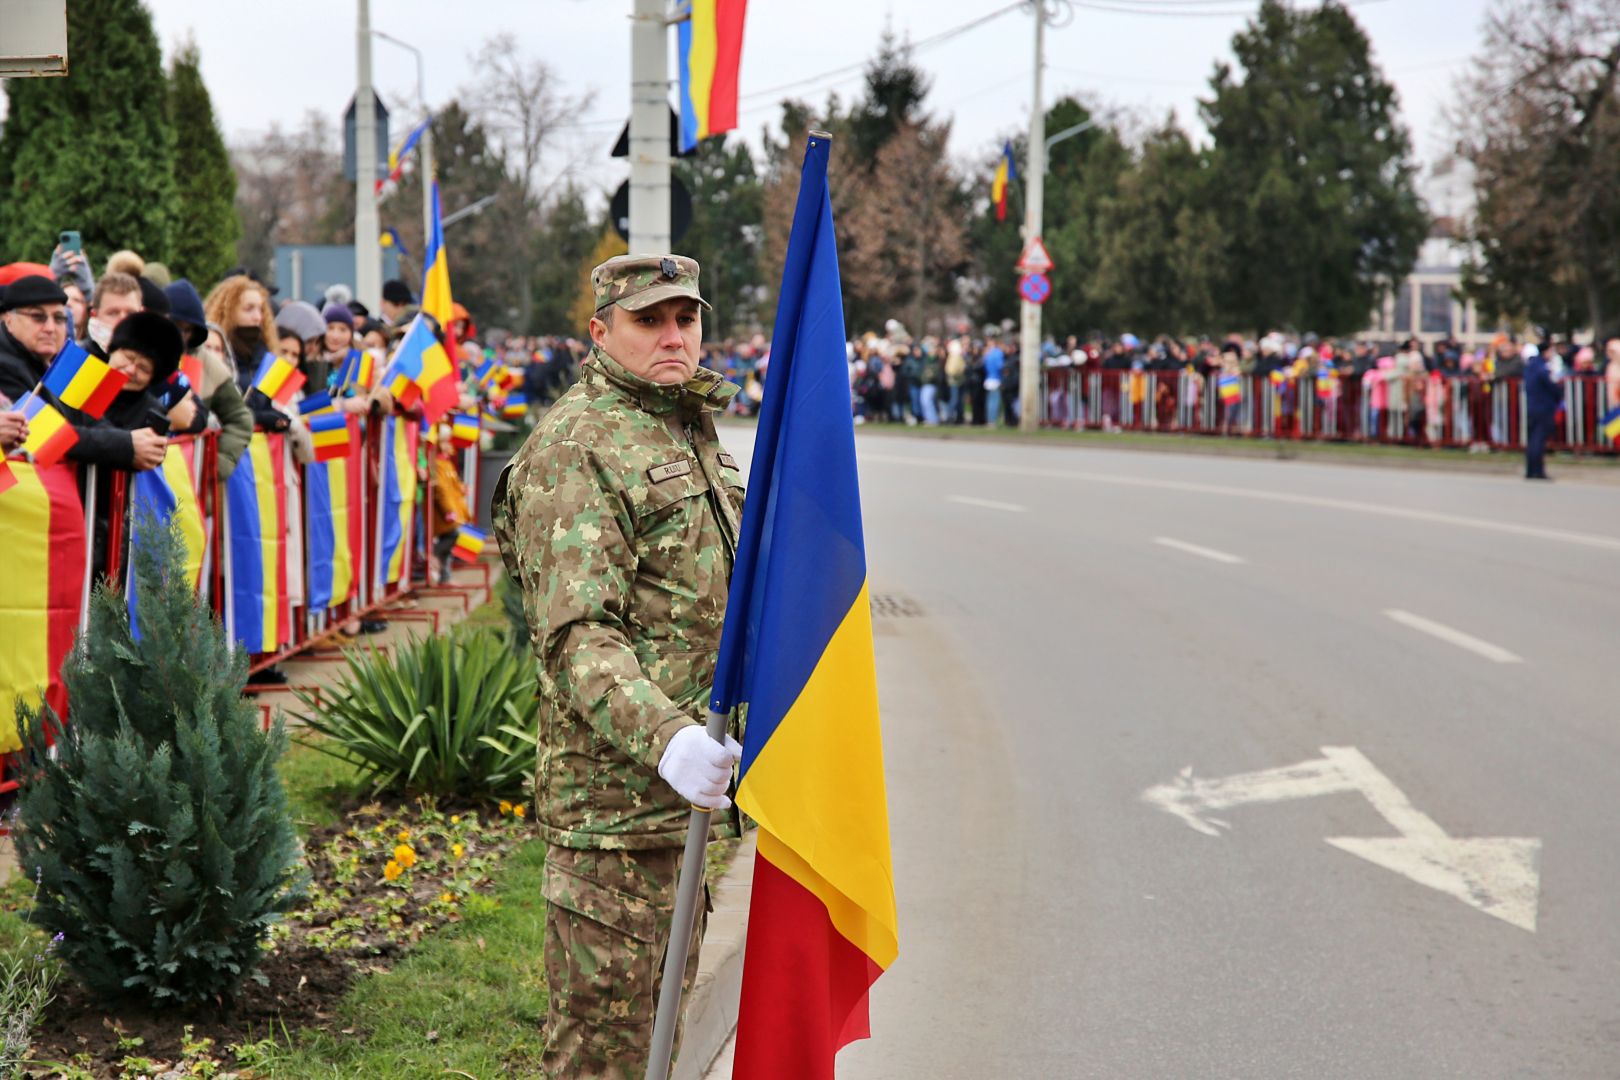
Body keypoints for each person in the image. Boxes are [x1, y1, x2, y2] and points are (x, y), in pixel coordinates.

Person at [493, 254, 745, 1078]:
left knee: (656, 1054)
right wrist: (673, 740)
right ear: (600, 333)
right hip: (615, 821)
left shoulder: (682, 422)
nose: (674, 336)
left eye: (686, 318)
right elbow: (577, 637)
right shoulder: (576, 446)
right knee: (607, 1061)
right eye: (650, 320)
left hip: (681, 812)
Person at [0, 275, 166, 470]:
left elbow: (96, 421)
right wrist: (127, 446)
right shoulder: (4, 365)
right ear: (9, 319)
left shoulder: (65, 359)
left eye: (59, 318)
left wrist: (136, 446)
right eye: (38, 317)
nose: (50, 328)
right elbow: (46, 435)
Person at [1524, 343, 1561, 480]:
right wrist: (1558, 394)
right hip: (1544, 405)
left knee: (1533, 438)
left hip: (1533, 405)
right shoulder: (1543, 367)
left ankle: (1530, 470)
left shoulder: (1530, 366)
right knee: (1538, 440)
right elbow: (1551, 385)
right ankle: (1537, 471)